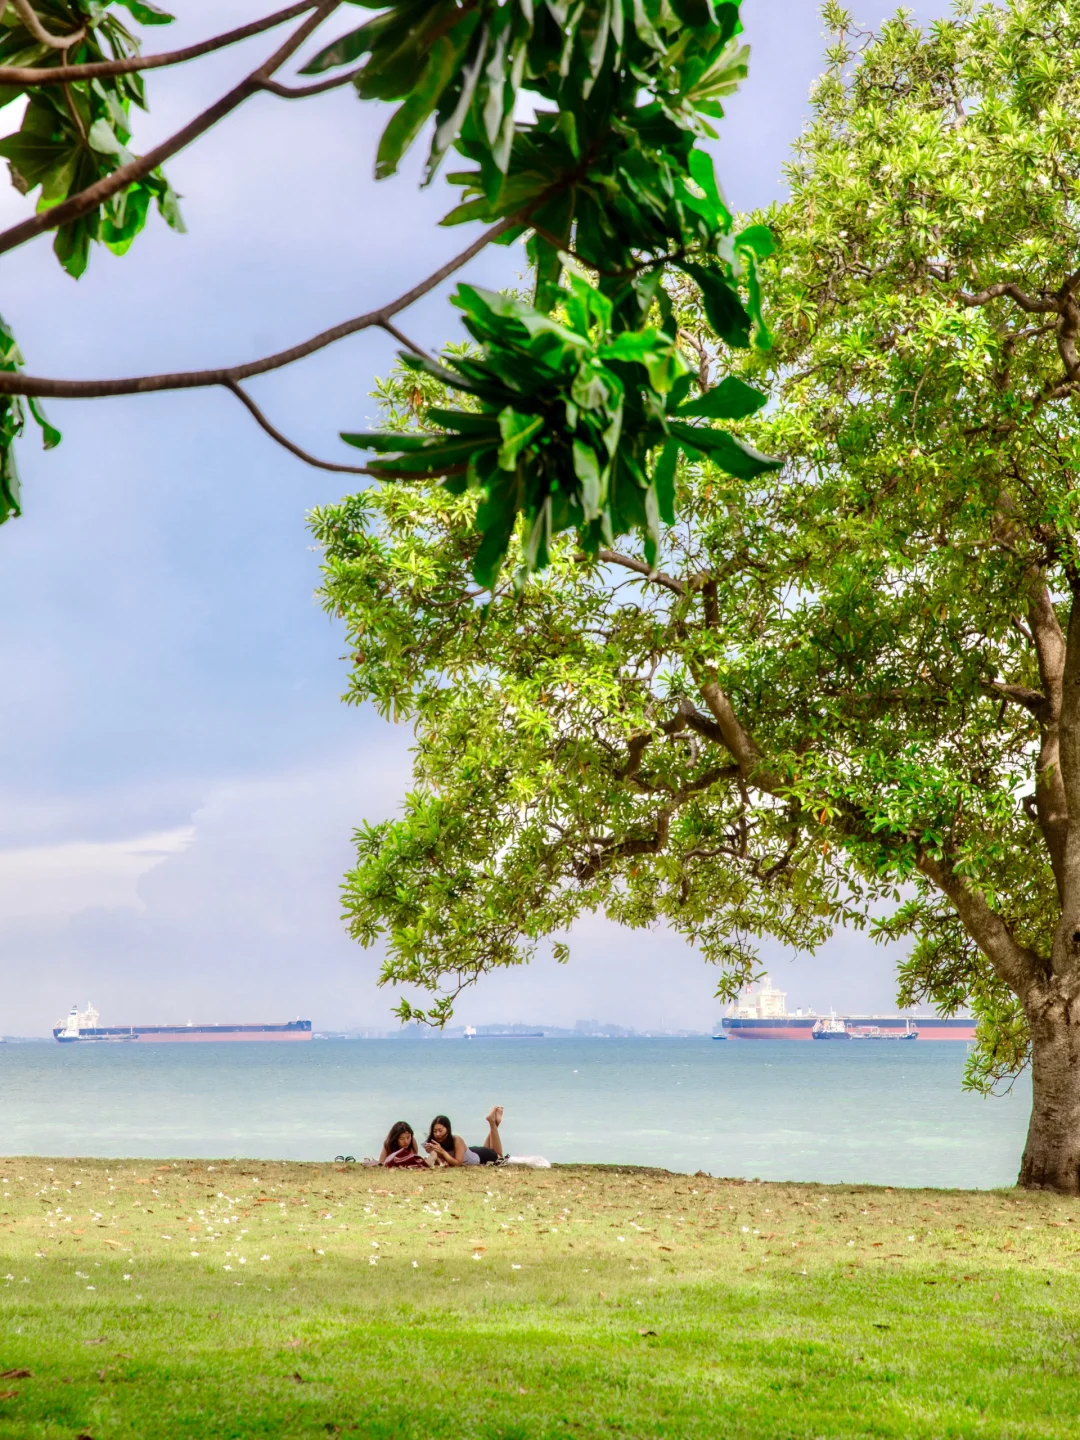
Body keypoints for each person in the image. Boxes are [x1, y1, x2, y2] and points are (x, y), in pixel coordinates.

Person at [424, 1107, 505, 1167]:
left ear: (448, 1129)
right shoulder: (435, 1143)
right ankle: (494, 1122)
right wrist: (432, 1153)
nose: (437, 1134)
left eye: (440, 1130)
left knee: (499, 1155)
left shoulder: (456, 1139)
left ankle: (492, 1122)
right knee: (487, 1149)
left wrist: (442, 1152)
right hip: (471, 1152)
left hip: (481, 1157)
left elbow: (458, 1163)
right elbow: (442, 1163)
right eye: (435, 1131)